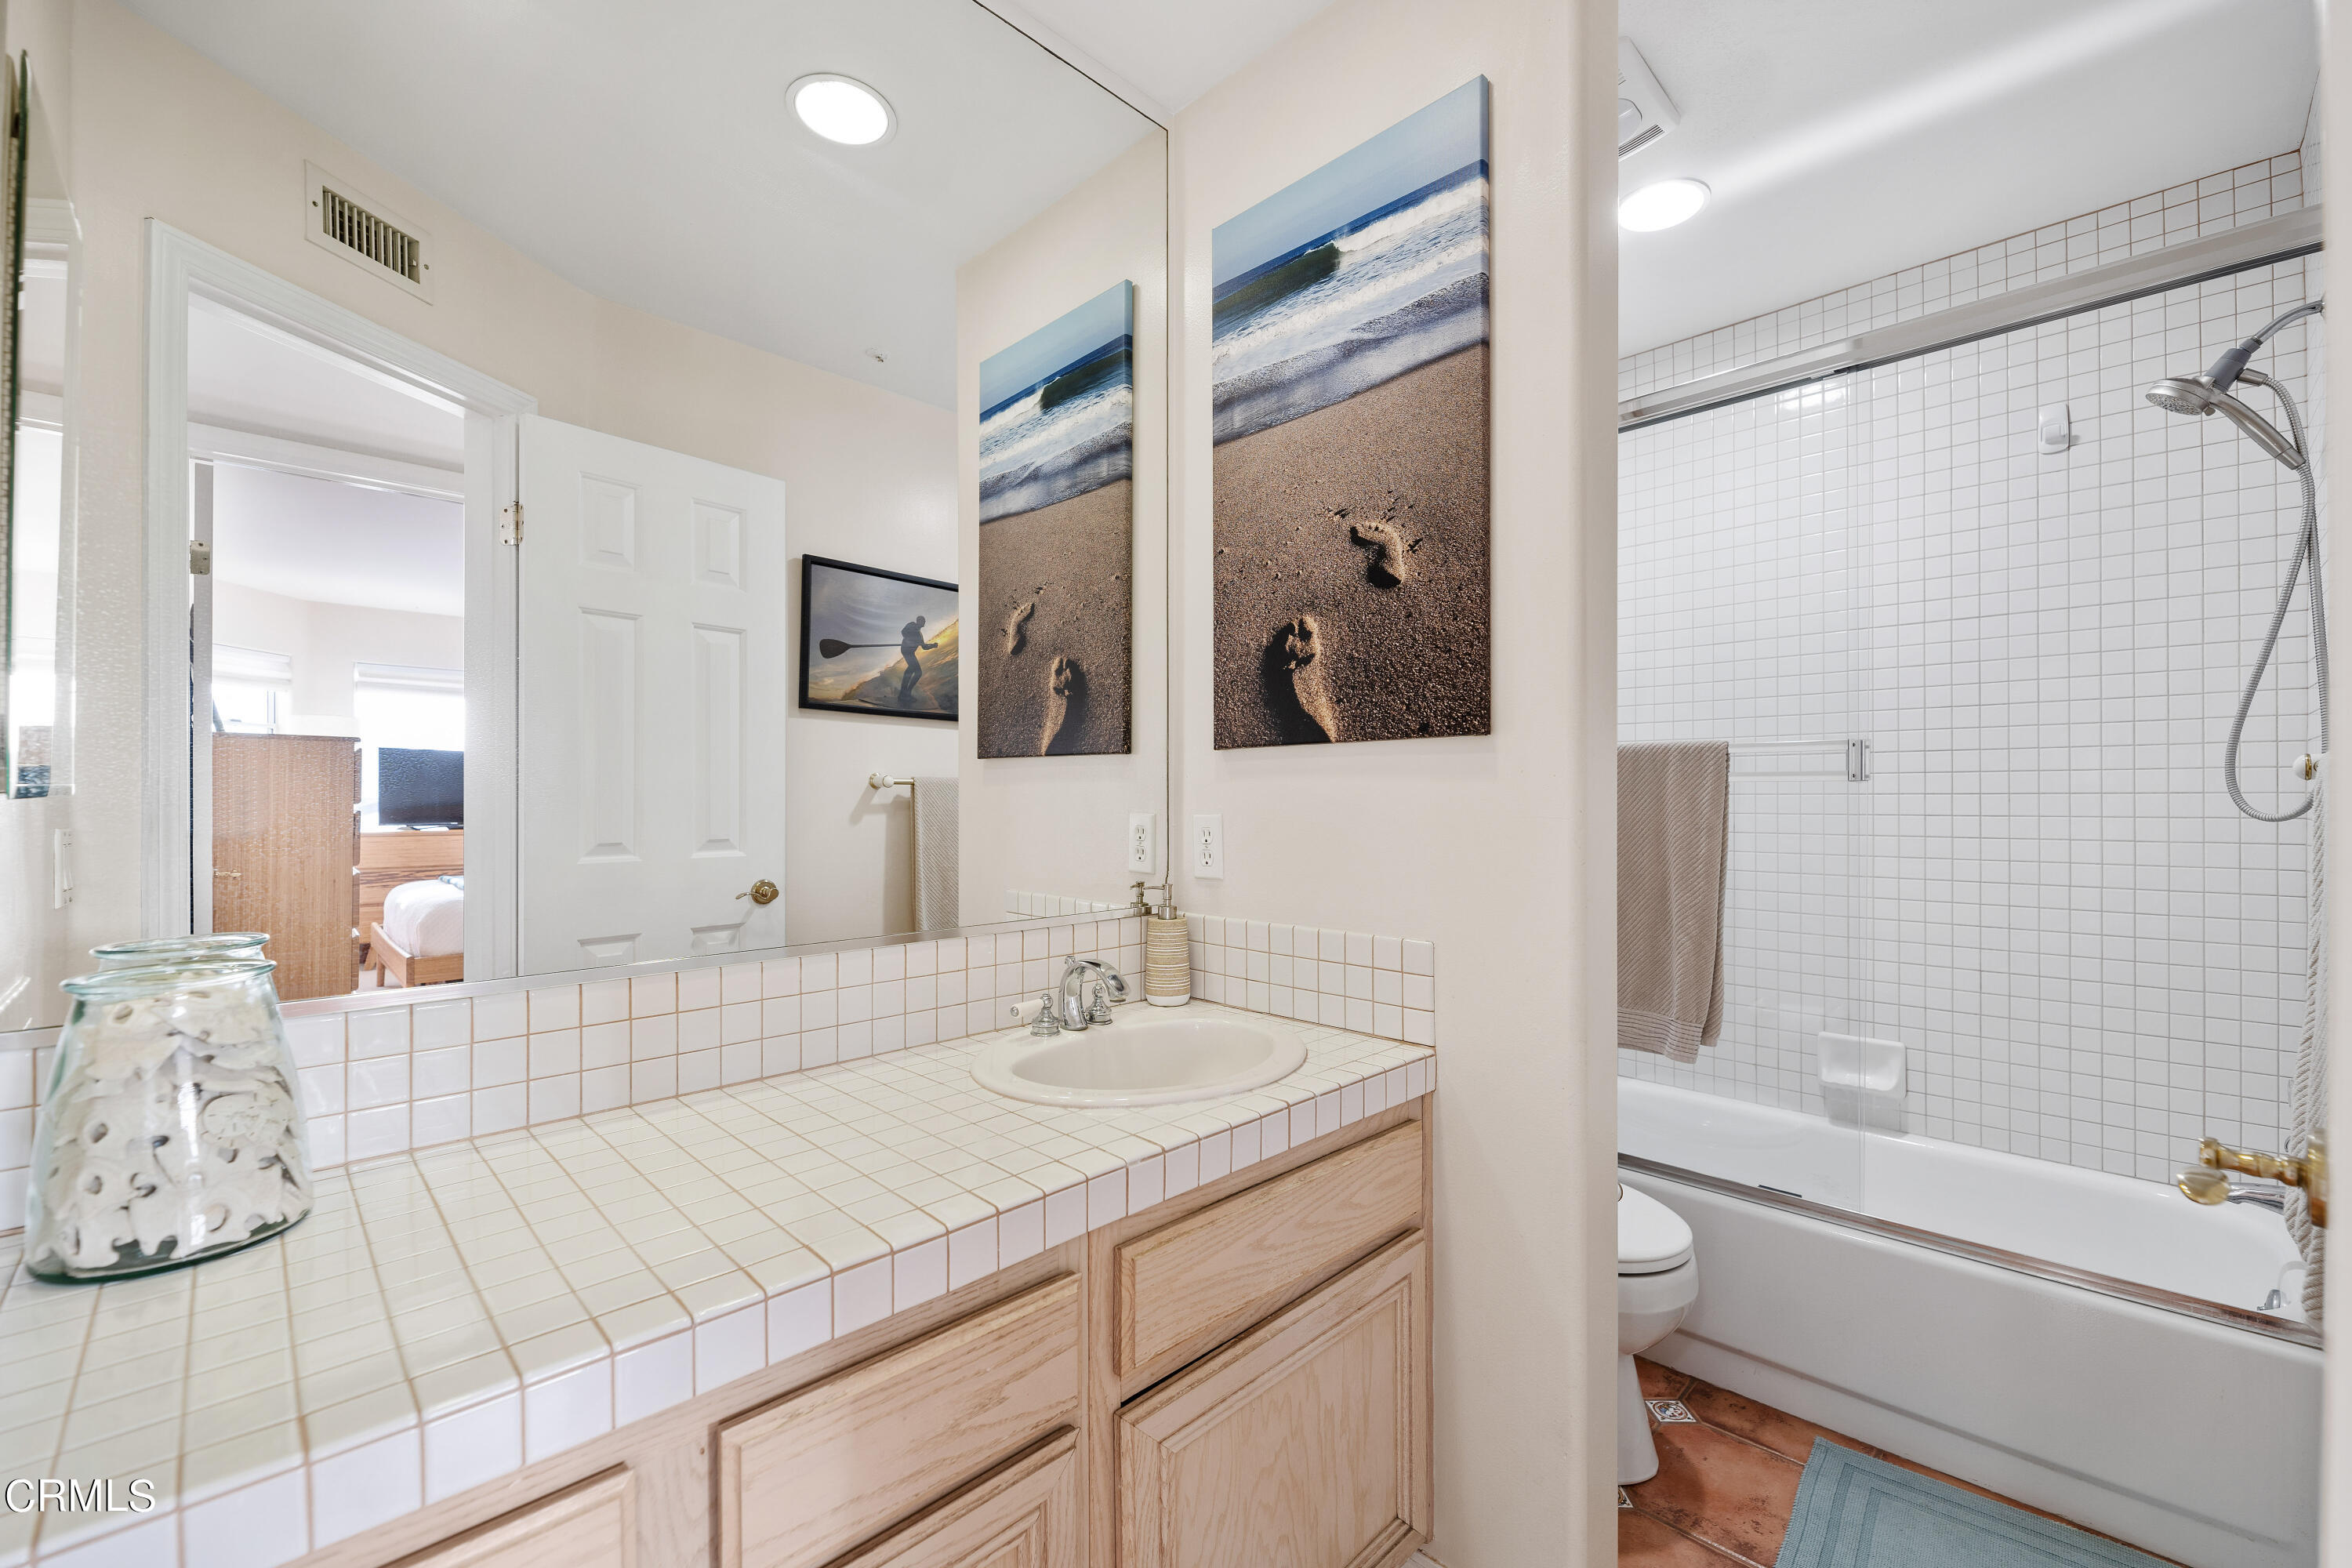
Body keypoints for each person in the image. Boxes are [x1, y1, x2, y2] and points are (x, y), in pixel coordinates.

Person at [898, 615, 939, 707]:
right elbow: (903, 632)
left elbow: (924, 647)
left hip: (911, 653)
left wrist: (933, 645)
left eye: (924, 621)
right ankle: (906, 694)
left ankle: (903, 694)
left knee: (912, 670)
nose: (924, 622)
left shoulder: (920, 635)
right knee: (918, 672)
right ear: (919, 621)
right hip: (906, 650)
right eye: (923, 621)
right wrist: (909, 639)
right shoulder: (912, 625)